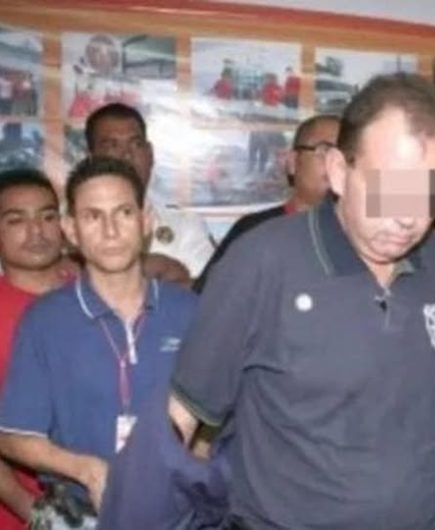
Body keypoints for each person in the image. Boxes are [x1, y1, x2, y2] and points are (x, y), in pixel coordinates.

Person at [100, 72, 435, 529]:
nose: (408, 217)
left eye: (429, 192)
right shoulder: (262, 261)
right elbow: (181, 420)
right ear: (338, 171)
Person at [0, 158, 197, 528]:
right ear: (71, 230)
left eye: (124, 212)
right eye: (93, 216)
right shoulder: (44, 321)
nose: (110, 231)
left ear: (146, 220)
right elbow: (12, 435)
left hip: (182, 514)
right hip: (82, 513)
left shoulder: (191, 311)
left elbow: (218, 419)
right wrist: (86, 470)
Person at [194, 114, 340, 292]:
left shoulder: (362, 238)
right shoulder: (254, 231)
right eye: (325, 151)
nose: (337, 164)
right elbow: (209, 299)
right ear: (293, 162)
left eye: (347, 156)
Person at [0, 169, 68, 529]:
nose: (36, 231)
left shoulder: (99, 296)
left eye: (47, 216)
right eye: (17, 220)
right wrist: (32, 510)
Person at [85, 102, 215, 282]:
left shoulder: (184, 225)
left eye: (136, 144)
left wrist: (173, 272)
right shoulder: (64, 225)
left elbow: (209, 291)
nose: (127, 155)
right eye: (112, 146)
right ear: (91, 158)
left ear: (150, 154)